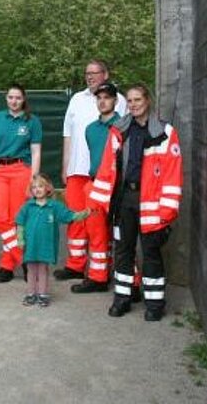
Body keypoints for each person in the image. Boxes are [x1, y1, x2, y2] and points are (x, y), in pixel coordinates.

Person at [87, 84, 182, 321]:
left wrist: (167, 210)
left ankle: (155, 304)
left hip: (151, 201)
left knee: (151, 252)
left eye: (138, 99)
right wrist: (100, 201)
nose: (134, 104)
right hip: (125, 199)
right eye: (129, 101)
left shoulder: (166, 132)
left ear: (147, 100)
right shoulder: (119, 130)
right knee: (123, 251)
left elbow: (173, 173)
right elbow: (107, 167)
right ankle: (123, 299)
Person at [56, 60, 126, 282]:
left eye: (95, 73)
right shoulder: (77, 99)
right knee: (76, 219)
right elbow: (67, 133)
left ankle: (103, 268)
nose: (90, 77)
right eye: (87, 73)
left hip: (103, 175)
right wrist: (65, 165)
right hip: (77, 170)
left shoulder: (120, 100)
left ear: (106, 74)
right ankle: (75, 265)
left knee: (99, 223)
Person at [69, 81, 122, 294]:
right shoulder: (90, 129)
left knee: (122, 235)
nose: (102, 101)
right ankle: (98, 278)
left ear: (115, 101)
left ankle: (132, 283)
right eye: (99, 98)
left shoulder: (124, 125)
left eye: (107, 97)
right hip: (94, 186)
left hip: (117, 187)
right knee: (96, 232)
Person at [0, 84, 42, 282]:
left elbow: (36, 152)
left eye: (18, 97)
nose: (14, 101)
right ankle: (24, 259)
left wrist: (33, 180)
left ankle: (6, 266)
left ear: (24, 99)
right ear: (6, 98)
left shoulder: (32, 121)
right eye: (11, 97)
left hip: (21, 170)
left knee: (16, 220)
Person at [17, 174, 90, 307]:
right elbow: (20, 223)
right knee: (31, 269)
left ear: (48, 188)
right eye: (34, 187)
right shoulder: (28, 206)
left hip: (46, 245)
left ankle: (43, 294)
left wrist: (83, 214)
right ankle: (31, 294)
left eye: (40, 186)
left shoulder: (54, 206)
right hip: (30, 245)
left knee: (43, 269)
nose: (37, 189)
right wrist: (20, 239)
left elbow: (69, 216)